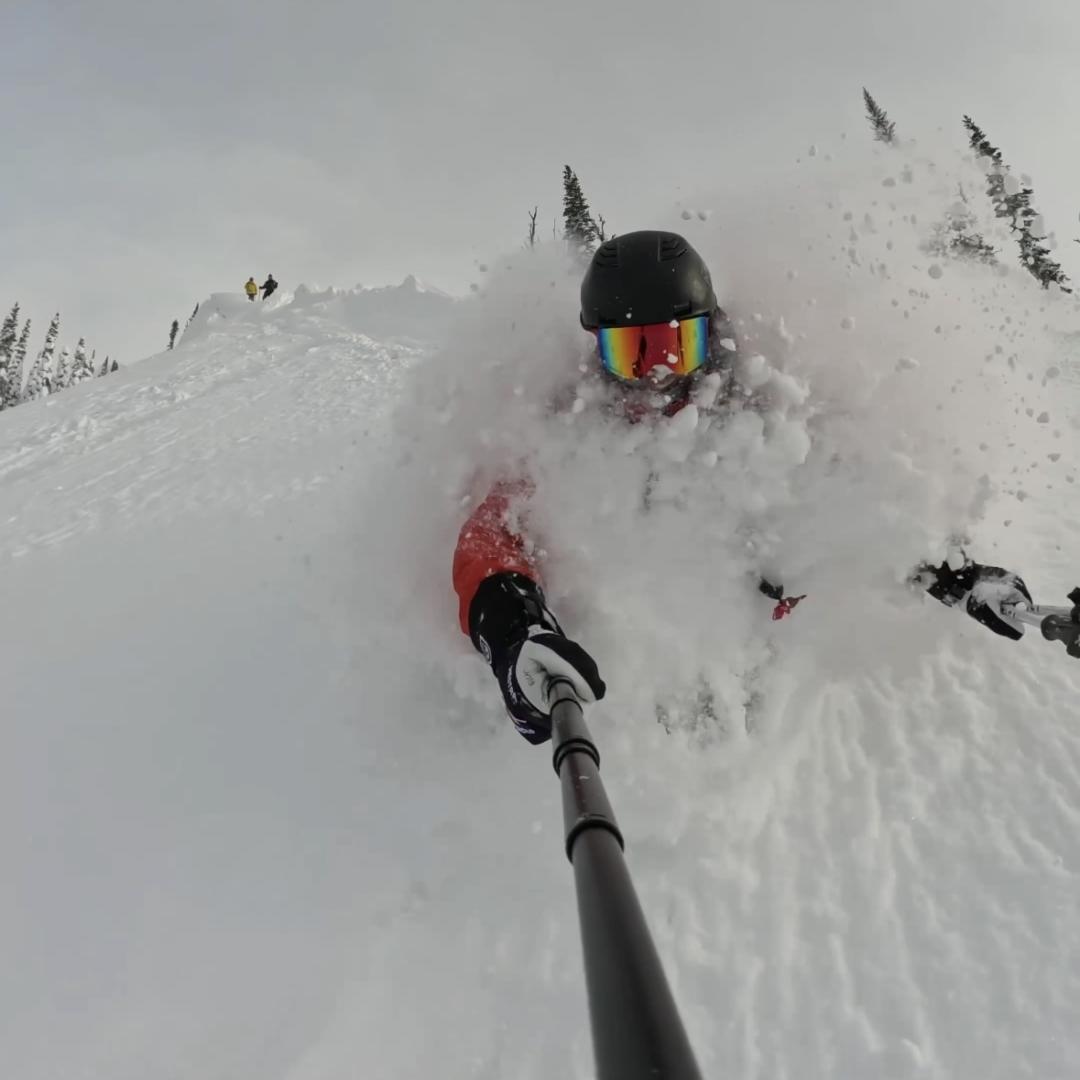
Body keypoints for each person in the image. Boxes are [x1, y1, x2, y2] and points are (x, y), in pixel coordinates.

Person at [451, 230, 1035, 745]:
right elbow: (498, 526)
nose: (657, 375)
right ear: (598, 353)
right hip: (650, 638)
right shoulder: (574, 428)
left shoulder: (765, 401)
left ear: (709, 333)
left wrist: (953, 573)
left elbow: (860, 499)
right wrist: (509, 623)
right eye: (633, 353)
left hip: (752, 628)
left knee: (738, 731)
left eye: (674, 346)